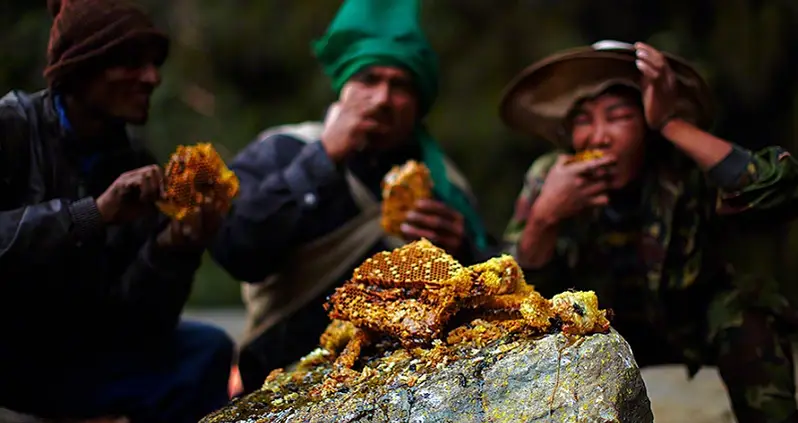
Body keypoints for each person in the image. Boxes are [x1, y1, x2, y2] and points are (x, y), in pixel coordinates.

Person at [501, 40, 798, 423]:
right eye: (583, 120)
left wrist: (672, 124)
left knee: (747, 310)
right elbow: (513, 288)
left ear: (645, 125)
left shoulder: (681, 167)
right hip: (597, 328)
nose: (598, 136)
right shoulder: (549, 176)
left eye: (618, 117)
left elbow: (780, 189)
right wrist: (545, 218)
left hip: (688, 318)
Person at [210, 0, 491, 393]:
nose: (382, 99)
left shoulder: (447, 186)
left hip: (406, 383)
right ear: (343, 86)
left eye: (400, 85)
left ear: (418, 102)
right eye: (369, 79)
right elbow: (237, 250)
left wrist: (460, 251)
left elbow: (488, 295)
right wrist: (324, 156)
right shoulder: (283, 149)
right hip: (279, 375)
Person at [0, 1, 233, 422]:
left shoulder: (131, 162)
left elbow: (136, 323)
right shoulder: (12, 127)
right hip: (9, 352)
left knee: (205, 349)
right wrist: (93, 213)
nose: (152, 77)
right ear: (78, 70)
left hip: (70, 358)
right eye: (130, 63)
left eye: (153, 64)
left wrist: (173, 248)